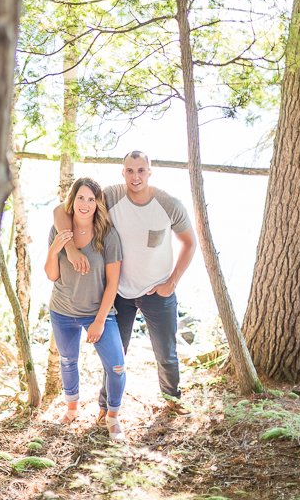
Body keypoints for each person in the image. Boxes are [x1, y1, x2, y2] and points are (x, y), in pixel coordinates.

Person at [55, 151, 197, 419]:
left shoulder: (169, 204)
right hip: (119, 292)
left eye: (141, 170)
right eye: (130, 171)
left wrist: (172, 282)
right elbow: (61, 210)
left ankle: (171, 398)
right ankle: (105, 406)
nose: (135, 176)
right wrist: (71, 249)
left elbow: (189, 244)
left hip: (158, 291)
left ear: (149, 172)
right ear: (123, 173)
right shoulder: (111, 196)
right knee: (115, 356)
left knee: (166, 353)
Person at [45, 177, 127, 441]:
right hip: (62, 310)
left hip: (97, 312)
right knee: (68, 361)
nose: (85, 204)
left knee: (117, 366)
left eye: (91, 199)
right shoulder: (59, 231)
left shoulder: (107, 235)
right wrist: (55, 250)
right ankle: (71, 409)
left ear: (97, 204)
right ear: (72, 200)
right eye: (80, 197)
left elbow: (113, 282)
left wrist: (100, 320)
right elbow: (51, 275)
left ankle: (112, 416)